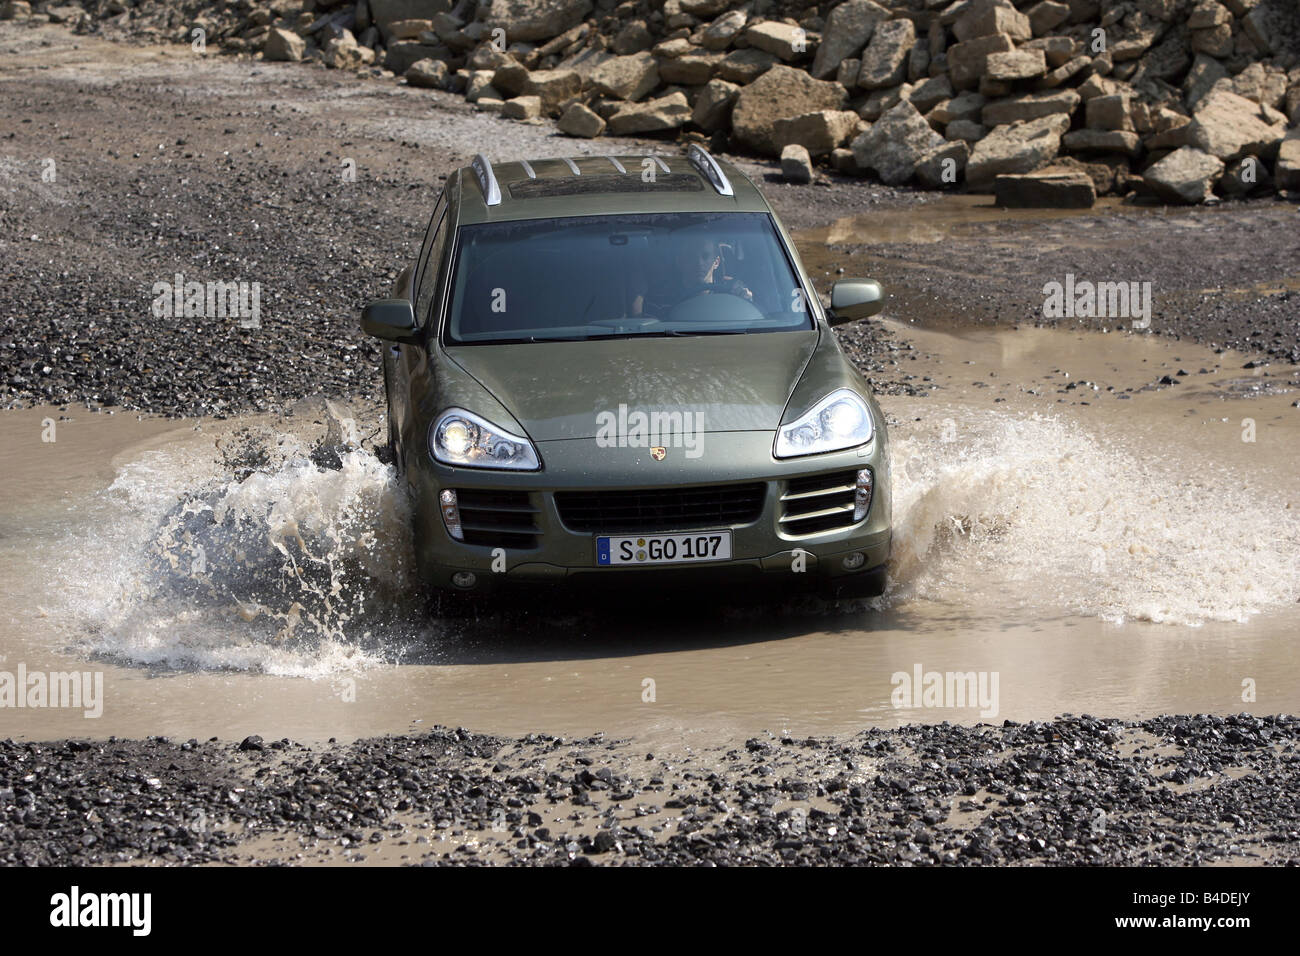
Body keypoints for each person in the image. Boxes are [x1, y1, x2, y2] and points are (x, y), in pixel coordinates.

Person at [632, 234, 753, 318]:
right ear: (680, 261)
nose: (699, 263)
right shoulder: (659, 296)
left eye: (705, 256)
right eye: (691, 256)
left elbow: (750, 322)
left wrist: (747, 300)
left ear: (716, 262)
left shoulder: (732, 290)